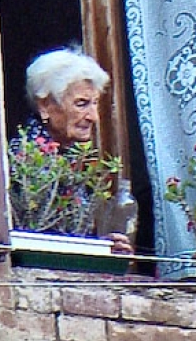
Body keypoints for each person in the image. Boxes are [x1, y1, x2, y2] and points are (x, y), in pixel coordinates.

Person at [14, 47, 134, 255]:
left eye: (95, 104)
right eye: (82, 104)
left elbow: (68, 237)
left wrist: (104, 247)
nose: (93, 117)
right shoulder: (25, 160)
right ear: (45, 106)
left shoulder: (68, 159)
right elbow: (38, 239)